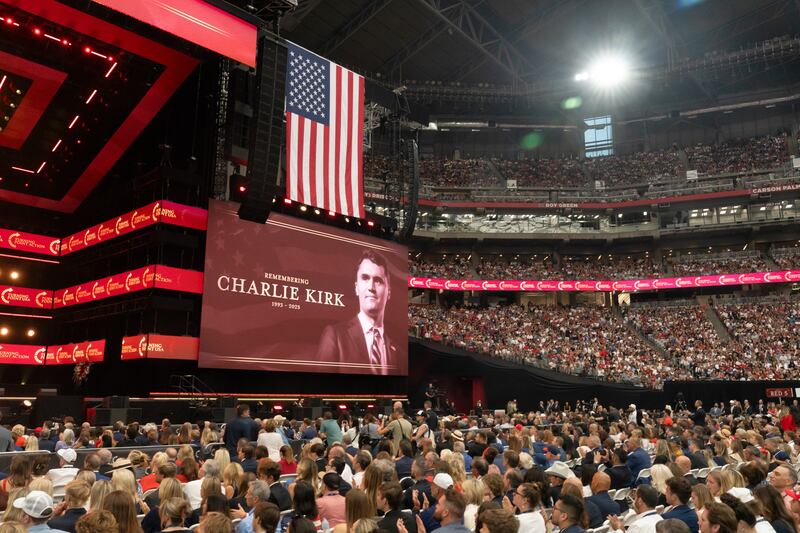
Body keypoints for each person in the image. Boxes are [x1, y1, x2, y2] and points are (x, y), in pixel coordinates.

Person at [316, 250, 399, 375]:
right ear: (356, 288)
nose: (371, 287)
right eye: (365, 278)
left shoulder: (397, 349)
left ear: (389, 292)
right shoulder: (335, 335)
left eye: (378, 280)